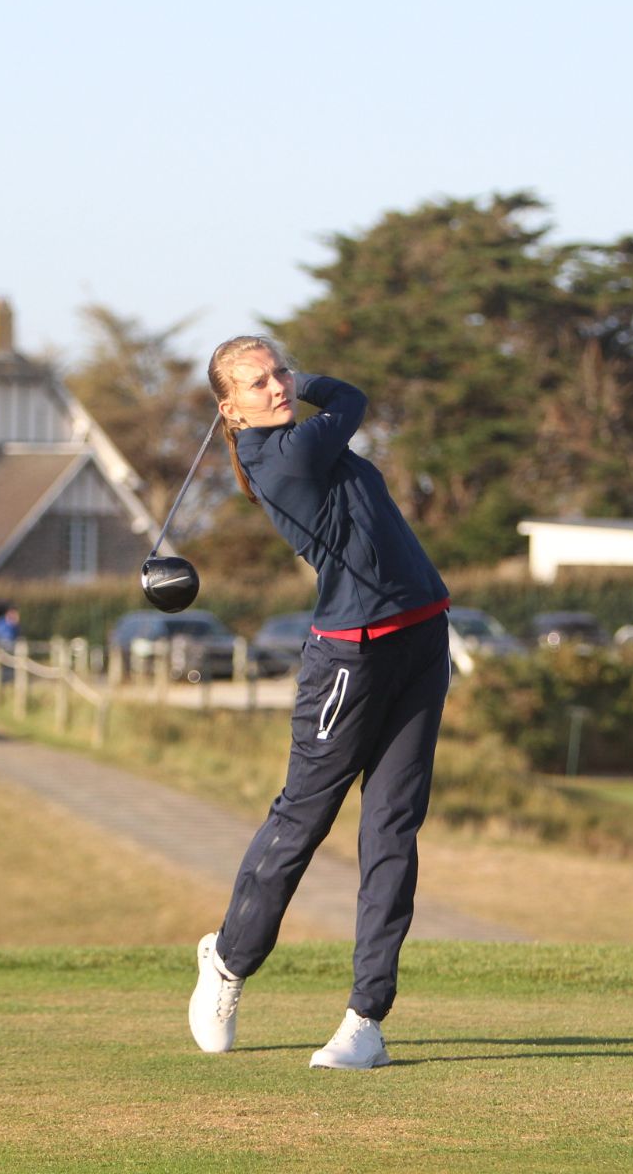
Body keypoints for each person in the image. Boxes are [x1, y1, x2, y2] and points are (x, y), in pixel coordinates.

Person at [187, 335, 451, 1070]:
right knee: (303, 819)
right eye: (257, 383)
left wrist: (293, 381)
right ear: (230, 411)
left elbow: (341, 407)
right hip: (349, 661)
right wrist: (309, 383)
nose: (276, 386)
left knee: (393, 826)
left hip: (421, 635)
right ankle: (228, 961)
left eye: (280, 372)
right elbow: (352, 398)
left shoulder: (304, 441)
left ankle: (366, 1018)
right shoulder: (286, 457)